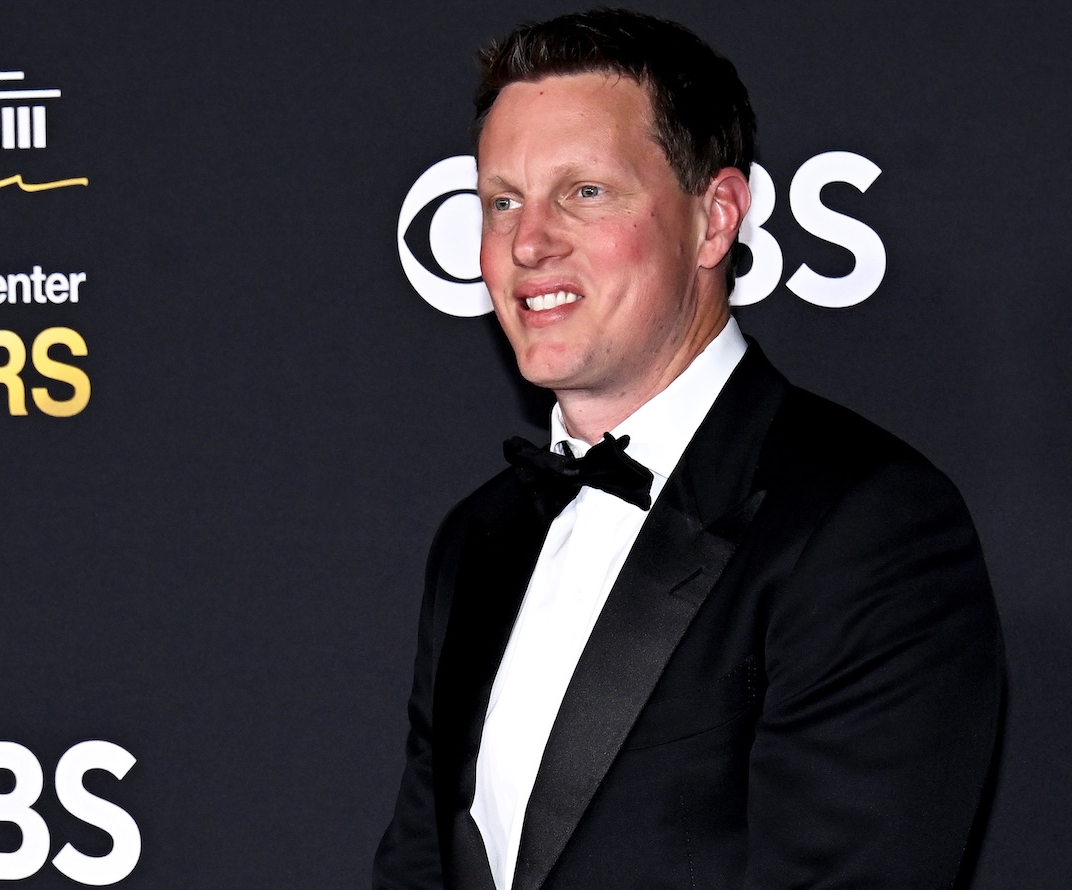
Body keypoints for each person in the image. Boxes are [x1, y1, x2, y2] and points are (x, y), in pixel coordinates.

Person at [374, 9, 1004, 890]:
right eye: (502, 201)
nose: (528, 242)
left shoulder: (867, 528)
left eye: (585, 192)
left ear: (715, 220)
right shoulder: (477, 538)